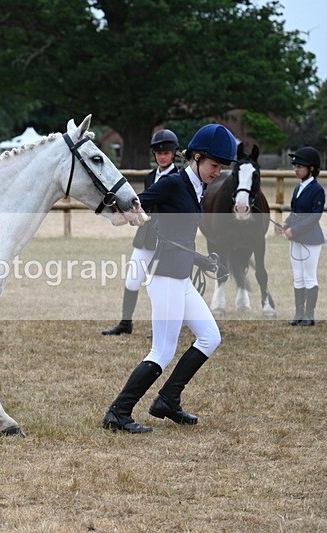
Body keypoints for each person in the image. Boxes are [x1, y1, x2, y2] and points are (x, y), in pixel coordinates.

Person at [102, 123, 237, 433]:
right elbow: (133, 204)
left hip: (181, 276)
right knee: (162, 351)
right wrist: (130, 215)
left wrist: (204, 260)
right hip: (165, 278)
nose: (217, 171)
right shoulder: (175, 183)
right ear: (197, 157)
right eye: (214, 165)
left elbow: (182, 237)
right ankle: (118, 413)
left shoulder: (197, 188)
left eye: (221, 167)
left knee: (210, 337)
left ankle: (167, 399)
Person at [102, 129, 180, 335]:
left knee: (159, 286)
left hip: (167, 240)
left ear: (174, 153)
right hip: (146, 236)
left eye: (167, 152)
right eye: (159, 152)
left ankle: (161, 327)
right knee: (132, 279)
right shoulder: (150, 177)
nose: (162, 156)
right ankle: (126, 323)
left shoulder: (178, 178)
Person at [279, 147, 325, 326]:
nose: (296, 169)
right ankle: (299, 313)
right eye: (295, 166)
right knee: (298, 276)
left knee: (309, 276)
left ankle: (309, 315)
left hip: (311, 239)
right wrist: (287, 223)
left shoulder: (317, 190)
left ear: (311, 168)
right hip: (295, 238)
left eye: (300, 166)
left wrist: (294, 230)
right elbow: (296, 211)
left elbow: (314, 216)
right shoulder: (299, 187)